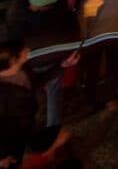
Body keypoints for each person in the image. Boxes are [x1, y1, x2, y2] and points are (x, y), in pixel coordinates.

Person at [0, 38, 79, 166]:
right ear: (13, 61)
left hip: (27, 127)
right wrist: (2, 156)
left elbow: (39, 79)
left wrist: (64, 64)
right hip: (10, 139)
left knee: (63, 133)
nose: (28, 50)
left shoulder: (23, 70)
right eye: (23, 50)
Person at [82, 0, 118, 110]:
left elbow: (86, 21)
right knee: (113, 66)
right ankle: (111, 95)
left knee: (92, 69)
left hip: (96, 38)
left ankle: (90, 99)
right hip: (116, 35)